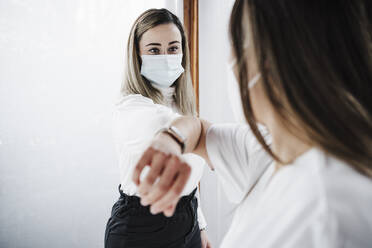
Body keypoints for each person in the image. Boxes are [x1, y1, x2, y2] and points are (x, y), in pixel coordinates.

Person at [132, 0, 372, 247]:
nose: (231, 61)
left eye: (237, 42)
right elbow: (201, 132)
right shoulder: (273, 148)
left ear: (275, 61)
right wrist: (171, 139)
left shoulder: (324, 217)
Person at [104, 8, 211, 248]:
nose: (166, 56)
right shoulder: (130, 108)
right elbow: (176, 128)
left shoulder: (179, 101)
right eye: (154, 50)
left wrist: (199, 225)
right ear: (137, 55)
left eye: (173, 48)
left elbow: (188, 173)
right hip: (142, 229)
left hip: (187, 216)